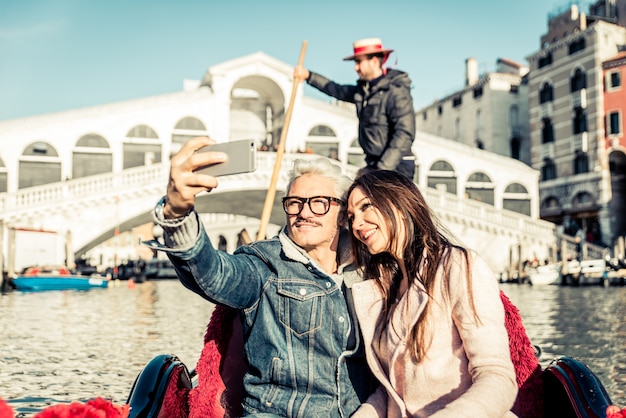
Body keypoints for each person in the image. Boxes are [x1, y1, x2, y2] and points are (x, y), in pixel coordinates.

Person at [146, 136, 376, 417]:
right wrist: (177, 213)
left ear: (342, 215)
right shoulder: (264, 264)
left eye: (319, 203)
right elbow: (213, 274)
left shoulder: (371, 268)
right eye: (294, 203)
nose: (303, 213)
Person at [344, 169, 518, 417]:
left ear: (398, 202)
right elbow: (394, 391)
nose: (357, 224)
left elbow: (497, 377)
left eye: (366, 207)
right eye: (351, 216)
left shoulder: (458, 266)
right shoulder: (385, 286)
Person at [294, 37, 416, 179]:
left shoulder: (396, 91)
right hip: (375, 164)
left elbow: (405, 133)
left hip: (396, 165)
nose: (355, 67)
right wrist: (308, 76)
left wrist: (381, 169)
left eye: (359, 62)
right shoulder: (363, 91)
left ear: (375, 61)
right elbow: (336, 90)